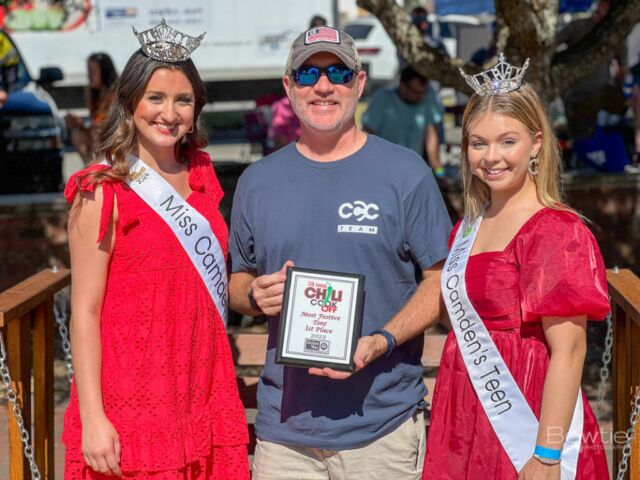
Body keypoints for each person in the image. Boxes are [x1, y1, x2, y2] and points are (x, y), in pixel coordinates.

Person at [229, 26, 451, 479]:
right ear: (288, 86)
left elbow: (442, 279)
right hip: (285, 436)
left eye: (338, 72)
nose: (323, 85)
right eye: (308, 73)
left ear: (360, 83)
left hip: (382, 429)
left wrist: (383, 339)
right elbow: (236, 281)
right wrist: (254, 296)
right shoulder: (257, 181)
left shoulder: (406, 173)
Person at [62, 20, 249, 479]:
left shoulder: (203, 175)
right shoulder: (101, 189)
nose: (170, 113)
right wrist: (93, 417)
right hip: (134, 399)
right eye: (156, 98)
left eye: (182, 99)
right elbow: (84, 312)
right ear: (130, 103)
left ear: (196, 106)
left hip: (201, 388)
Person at [423, 54, 610, 479]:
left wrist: (546, 454)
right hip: (464, 413)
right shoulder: (467, 227)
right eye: (478, 143)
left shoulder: (556, 231)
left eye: (508, 141)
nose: (492, 157)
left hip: (526, 413)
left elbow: (570, 350)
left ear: (537, 143)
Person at [363, 66, 445, 178]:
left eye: (423, 93)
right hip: (385, 169)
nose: (420, 97)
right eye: (416, 92)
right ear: (402, 86)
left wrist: (440, 172)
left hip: (413, 170)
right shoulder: (383, 98)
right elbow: (368, 134)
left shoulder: (428, 96)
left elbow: (432, 139)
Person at [65, 52, 118, 165]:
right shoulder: (92, 92)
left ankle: (98, 165)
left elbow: (107, 122)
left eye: (93, 72)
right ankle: (89, 165)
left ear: (104, 73)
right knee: (77, 133)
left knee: (97, 132)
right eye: (88, 71)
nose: (89, 76)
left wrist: (84, 123)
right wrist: (78, 122)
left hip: (112, 136)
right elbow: (93, 118)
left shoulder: (115, 93)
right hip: (97, 132)